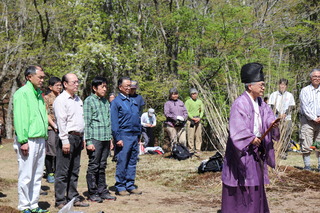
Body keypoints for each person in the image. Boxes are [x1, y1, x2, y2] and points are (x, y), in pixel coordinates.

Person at [221, 63, 280, 213]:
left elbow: (268, 117)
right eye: (261, 85)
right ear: (250, 86)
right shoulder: (239, 104)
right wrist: (250, 138)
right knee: (242, 186)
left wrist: (272, 124)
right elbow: (237, 128)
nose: (263, 88)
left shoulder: (261, 103)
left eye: (263, 85)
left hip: (256, 151)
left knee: (255, 186)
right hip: (242, 152)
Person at [13, 65, 49, 213]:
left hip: (40, 138)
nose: (42, 80)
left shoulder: (38, 94)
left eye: (43, 78)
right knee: (26, 174)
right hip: (28, 139)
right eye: (40, 77)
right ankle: (24, 205)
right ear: (29, 77)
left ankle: (34, 204)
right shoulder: (23, 93)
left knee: (37, 174)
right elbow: (20, 118)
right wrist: (23, 140)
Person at [53, 73, 89, 209]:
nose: (77, 84)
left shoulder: (78, 99)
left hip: (78, 137)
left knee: (74, 170)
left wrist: (83, 138)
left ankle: (72, 197)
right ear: (65, 84)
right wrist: (64, 140)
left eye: (77, 81)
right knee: (63, 170)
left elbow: (81, 120)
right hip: (67, 137)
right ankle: (60, 200)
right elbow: (61, 122)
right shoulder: (61, 100)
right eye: (73, 82)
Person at [84, 77, 116, 203]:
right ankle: (92, 192)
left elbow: (108, 121)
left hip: (105, 138)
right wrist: (89, 141)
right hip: (95, 138)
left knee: (102, 165)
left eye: (106, 87)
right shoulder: (89, 101)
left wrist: (110, 139)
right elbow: (87, 122)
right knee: (94, 166)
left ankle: (102, 190)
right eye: (102, 87)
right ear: (94, 88)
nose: (104, 89)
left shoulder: (105, 102)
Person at [111, 77, 142, 196]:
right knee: (122, 161)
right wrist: (117, 138)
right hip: (124, 135)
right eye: (126, 86)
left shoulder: (133, 100)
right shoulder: (116, 102)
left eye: (130, 86)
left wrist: (139, 134)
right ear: (120, 87)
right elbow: (114, 122)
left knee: (132, 161)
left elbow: (137, 118)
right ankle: (120, 186)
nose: (129, 88)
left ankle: (130, 184)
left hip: (134, 135)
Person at [299, 68, 320, 171]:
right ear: (311, 78)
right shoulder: (305, 90)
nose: (317, 78)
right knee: (306, 143)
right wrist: (314, 118)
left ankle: (319, 166)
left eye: (319, 76)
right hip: (308, 121)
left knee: (319, 144)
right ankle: (307, 166)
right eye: (315, 76)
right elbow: (305, 107)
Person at [269, 78, 295, 154]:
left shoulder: (290, 95)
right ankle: (276, 151)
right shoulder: (274, 94)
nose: (282, 86)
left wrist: (285, 114)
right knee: (276, 135)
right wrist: (278, 114)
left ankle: (284, 151)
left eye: (284, 85)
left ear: (286, 86)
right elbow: (271, 105)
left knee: (286, 135)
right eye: (281, 84)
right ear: (279, 85)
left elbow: (292, 106)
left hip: (287, 118)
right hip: (276, 118)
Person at [44, 77, 62, 183]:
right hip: (51, 128)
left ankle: (57, 172)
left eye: (60, 85)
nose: (59, 87)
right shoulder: (46, 98)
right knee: (50, 151)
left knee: (59, 151)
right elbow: (46, 114)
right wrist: (54, 126)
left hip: (62, 128)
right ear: (50, 87)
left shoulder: (63, 97)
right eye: (57, 85)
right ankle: (50, 173)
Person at [163, 87, 188, 152]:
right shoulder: (167, 103)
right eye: (173, 94)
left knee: (182, 140)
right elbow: (166, 113)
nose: (175, 95)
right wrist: (175, 118)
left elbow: (185, 112)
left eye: (176, 94)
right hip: (171, 125)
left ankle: (183, 153)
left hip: (181, 125)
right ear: (170, 95)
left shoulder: (181, 102)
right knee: (174, 141)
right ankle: (175, 153)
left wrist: (183, 118)